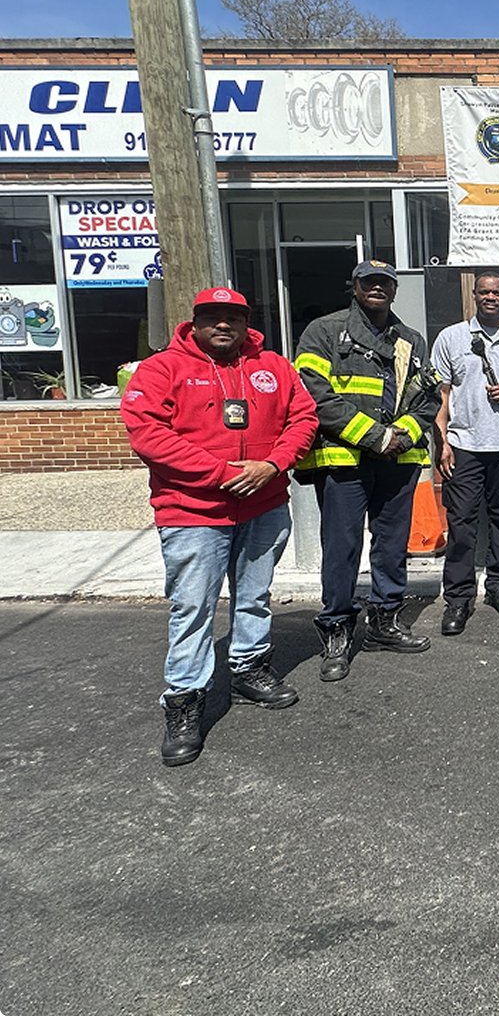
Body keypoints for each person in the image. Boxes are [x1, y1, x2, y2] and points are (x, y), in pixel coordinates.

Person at [121, 287, 319, 767]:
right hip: (193, 512)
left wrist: (272, 466)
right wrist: (221, 474)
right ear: (195, 321)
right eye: (213, 316)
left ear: (246, 320)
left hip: (265, 503)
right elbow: (148, 434)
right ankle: (185, 700)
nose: (223, 325)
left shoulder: (273, 365)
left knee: (254, 596)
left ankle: (249, 667)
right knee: (193, 608)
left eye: (233, 317)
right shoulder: (162, 368)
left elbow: (304, 417)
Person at [294, 260, 441, 681]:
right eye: (369, 282)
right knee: (341, 548)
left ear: (394, 291)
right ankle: (337, 629)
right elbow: (316, 398)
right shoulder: (323, 332)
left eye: (385, 283)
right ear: (354, 287)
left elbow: (427, 399)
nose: (378, 289)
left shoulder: (410, 339)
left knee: (393, 544)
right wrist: (375, 436)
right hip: (344, 460)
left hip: (398, 459)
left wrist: (401, 435)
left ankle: (385, 621)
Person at [431, 272, 499, 636]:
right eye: (483, 292)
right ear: (474, 296)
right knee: (460, 523)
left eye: (496, 292)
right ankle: (458, 598)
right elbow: (441, 396)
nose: (490, 297)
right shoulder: (452, 338)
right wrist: (442, 443)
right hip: (464, 445)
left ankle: (498, 586)